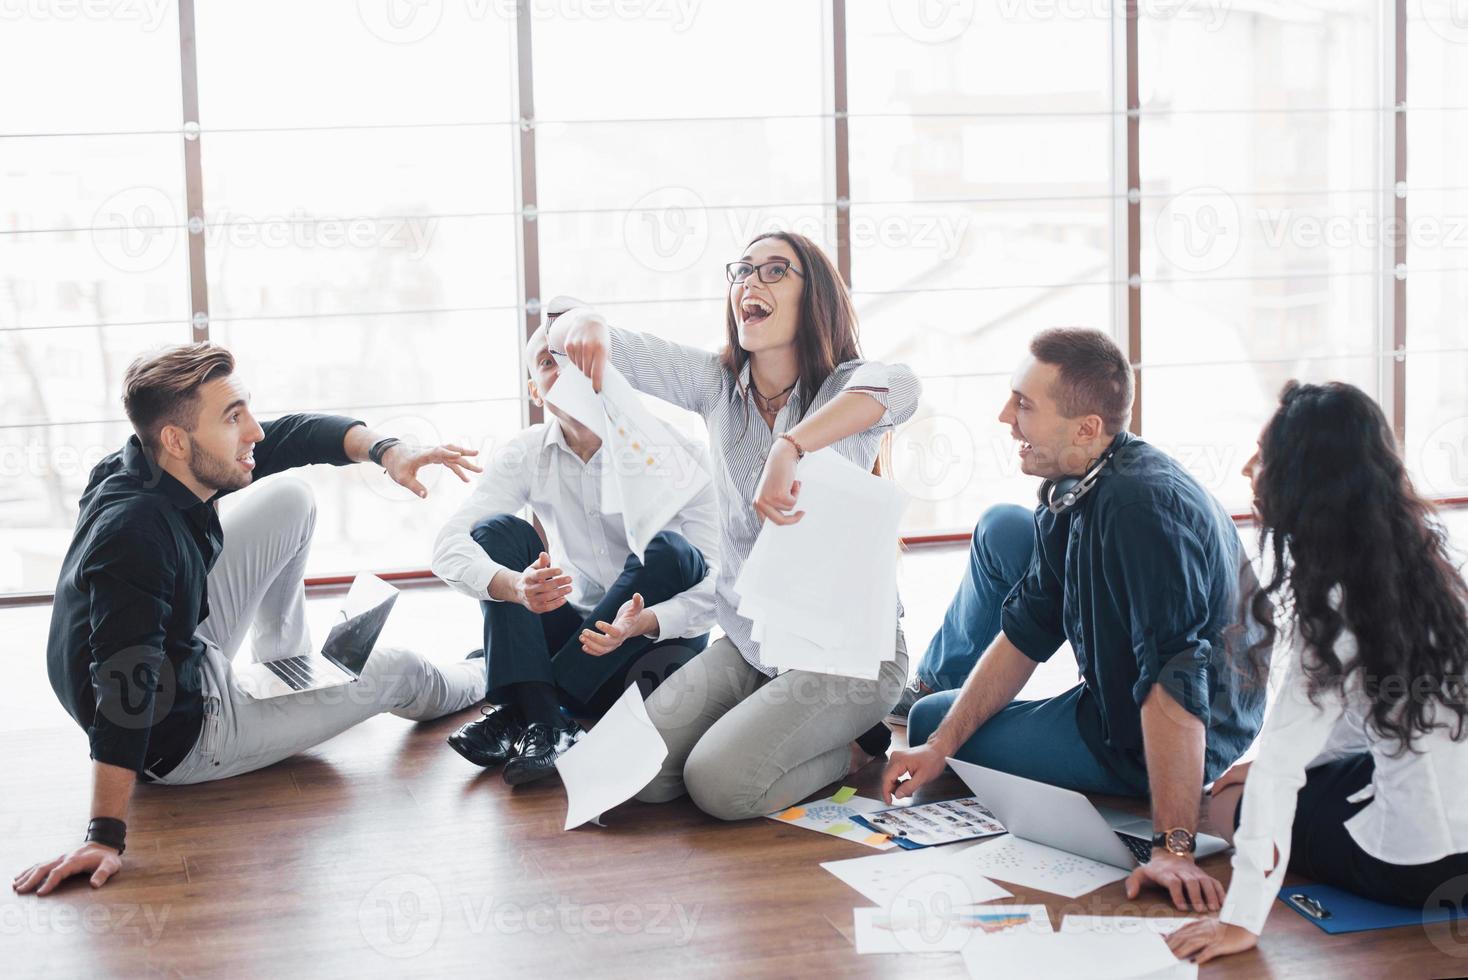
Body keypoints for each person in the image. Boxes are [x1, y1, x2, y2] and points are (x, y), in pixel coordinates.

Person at [13, 342, 487, 897]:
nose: (256, 432)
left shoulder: (141, 461)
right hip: (182, 732)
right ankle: (492, 668)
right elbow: (128, 689)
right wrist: (104, 835)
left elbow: (292, 434)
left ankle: (285, 665)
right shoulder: (136, 535)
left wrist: (387, 450)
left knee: (290, 496)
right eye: (233, 418)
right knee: (401, 671)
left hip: (178, 647)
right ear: (176, 438)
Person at [881, 327, 1267, 913]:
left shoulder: (1140, 512)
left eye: (1025, 405)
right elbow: (1028, 629)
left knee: (936, 718)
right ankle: (944, 705)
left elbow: (1176, 683)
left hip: (1179, 726)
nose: (1005, 416)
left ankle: (957, 708)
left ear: (1087, 428)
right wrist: (937, 748)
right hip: (1139, 683)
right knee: (1000, 536)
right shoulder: (1073, 483)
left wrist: (1174, 848)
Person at [552, 230, 921, 820]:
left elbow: (903, 387)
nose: (750, 281)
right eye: (742, 271)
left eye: (776, 271)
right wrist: (586, 324)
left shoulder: (844, 388)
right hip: (752, 647)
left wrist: (791, 447)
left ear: (815, 297)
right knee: (641, 775)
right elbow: (568, 329)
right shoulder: (715, 384)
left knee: (719, 786)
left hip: (847, 659)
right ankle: (780, 726)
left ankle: (850, 746)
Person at [1166, 381, 1468, 965]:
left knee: (1233, 803)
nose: (1250, 468)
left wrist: (1241, 919)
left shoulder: (1332, 601)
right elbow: (1382, 709)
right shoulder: (1442, 572)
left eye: (1264, 455)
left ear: (1305, 479)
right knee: (1287, 770)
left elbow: (1279, 773)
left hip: (1411, 870)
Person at [433, 307, 718, 784]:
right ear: (534, 390)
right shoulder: (526, 452)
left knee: (666, 551)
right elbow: (448, 544)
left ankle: (524, 709)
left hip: (648, 651)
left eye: (572, 357)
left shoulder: (675, 450)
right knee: (497, 533)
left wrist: (646, 621)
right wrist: (512, 586)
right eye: (547, 362)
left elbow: (722, 584)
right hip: (574, 636)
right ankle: (550, 721)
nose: (562, 371)